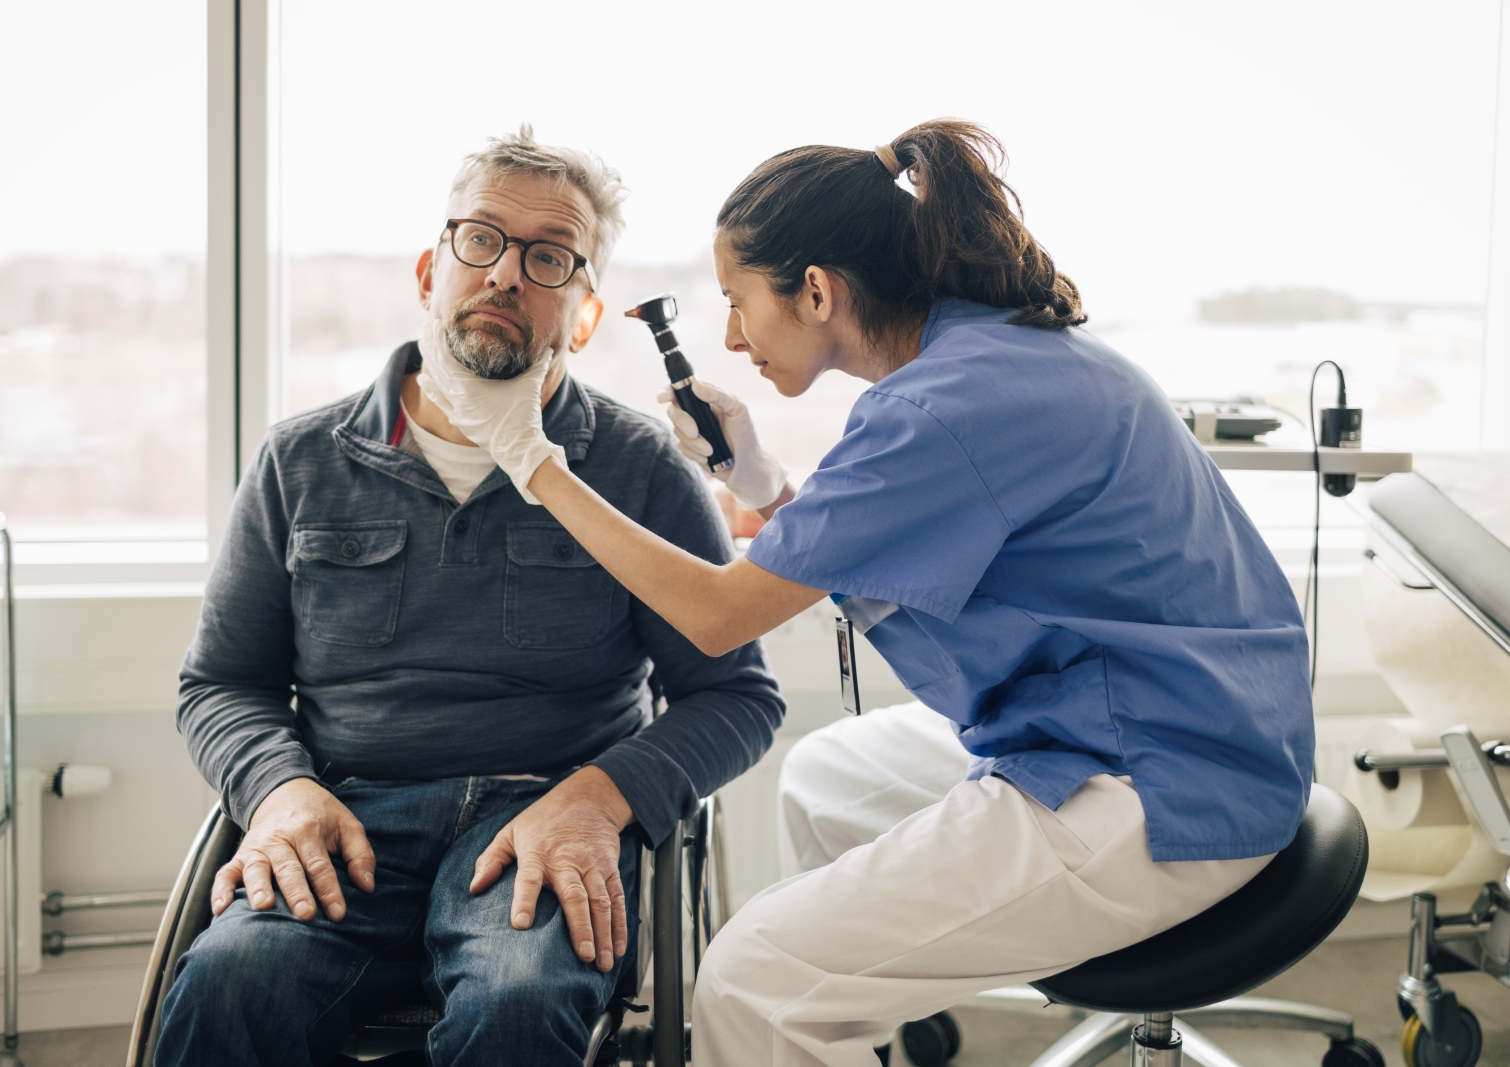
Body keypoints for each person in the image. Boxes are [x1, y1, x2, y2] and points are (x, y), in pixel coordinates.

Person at [423, 119, 1314, 1067]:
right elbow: (874, 533)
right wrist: (762, 481)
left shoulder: (937, 410)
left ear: (815, 291)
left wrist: (532, 458)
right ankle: (852, 1026)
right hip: (1171, 717)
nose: (728, 336)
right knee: (828, 778)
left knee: (752, 982)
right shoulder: (987, 357)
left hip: (1157, 780)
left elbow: (720, 615)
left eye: (737, 302)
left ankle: (803, 1020)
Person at [155, 126, 785, 1067]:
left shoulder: (637, 465)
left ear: (581, 314)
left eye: (548, 258)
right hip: (344, 814)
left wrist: (601, 800)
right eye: (480, 240)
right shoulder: (301, 460)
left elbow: (738, 694)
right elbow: (218, 684)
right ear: (429, 270)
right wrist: (278, 791)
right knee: (227, 985)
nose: (504, 275)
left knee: (519, 1006)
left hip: (545, 816)